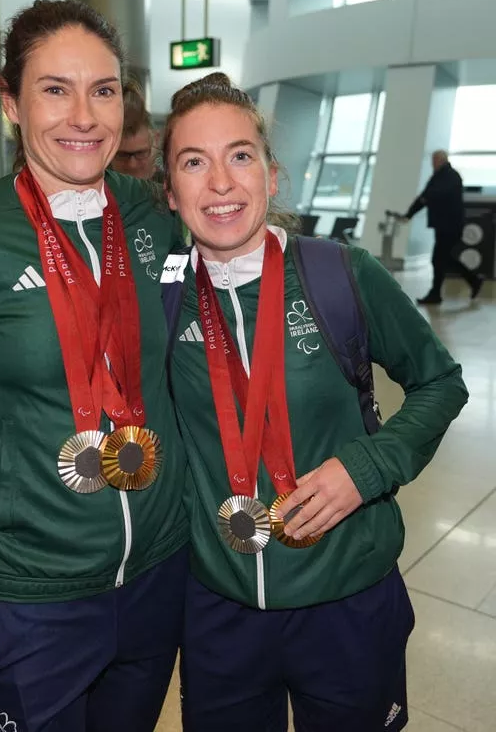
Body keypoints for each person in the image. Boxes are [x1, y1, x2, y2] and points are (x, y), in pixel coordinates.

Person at [0, 0, 188, 732]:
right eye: (55, 88)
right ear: (11, 103)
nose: (84, 115)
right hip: (30, 596)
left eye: (103, 89)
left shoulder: (157, 214)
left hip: (160, 575)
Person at [162, 73, 469, 732]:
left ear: (272, 175)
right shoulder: (161, 299)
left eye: (239, 155)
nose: (220, 182)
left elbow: (441, 381)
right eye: (194, 161)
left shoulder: (339, 272)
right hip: (220, 609)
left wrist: (366, 468)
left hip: (349, 599)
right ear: (169, 189)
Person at [403, 149, 482, 305]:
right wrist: (409, 214)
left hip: (450, 226)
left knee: (438, 259)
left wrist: (412, 211)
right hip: (444, 226)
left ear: (441, 160)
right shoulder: (440, 176)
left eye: (434, 160)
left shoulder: (450, 176)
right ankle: (472, 281)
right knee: (443, 259)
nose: (432, 163)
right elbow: (425, 197)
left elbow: (431, 195)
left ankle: (438, 293)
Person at [110, 80, 158, 180]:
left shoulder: (172, 187)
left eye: (141, 153)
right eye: (122, 155)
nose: (132, 165)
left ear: (156, 142)